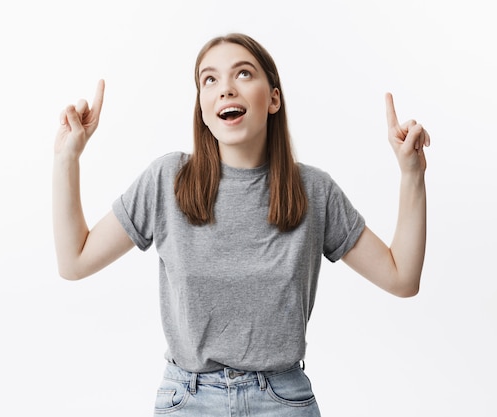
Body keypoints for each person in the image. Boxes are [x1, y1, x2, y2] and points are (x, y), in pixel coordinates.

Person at [52, 33, 430, 416]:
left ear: (273, 98)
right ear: (201, 106)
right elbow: (75, 261)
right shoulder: (167, 181)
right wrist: (68, 158)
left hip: (283, 402)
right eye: (209, 80)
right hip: (188, 400)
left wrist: (411, 174)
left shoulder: (314, 191)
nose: (225, 89)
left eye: (243, 74)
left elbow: (401, 278)